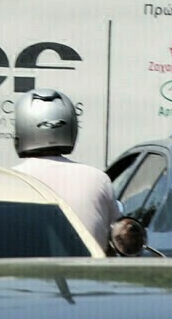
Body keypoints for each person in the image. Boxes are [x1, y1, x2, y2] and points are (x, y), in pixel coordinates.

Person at [12, 89, 142, 255]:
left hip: (21, 276)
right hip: (87, 277)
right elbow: (115, 240)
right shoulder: (97, 179)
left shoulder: (13, 179)